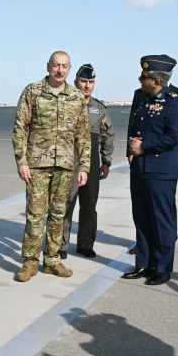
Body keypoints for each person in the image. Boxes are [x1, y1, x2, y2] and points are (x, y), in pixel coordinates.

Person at [12, 51, 91, 282]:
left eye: (64, 66)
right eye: (56, 65)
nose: (60, 70)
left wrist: (84, 166)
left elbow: (83, 134)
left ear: (69, 69)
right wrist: (21, 160)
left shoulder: (76, 96)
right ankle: (30, 261)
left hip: (65, 165)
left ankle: (52, 260)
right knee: (36, 214)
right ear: (48, 66)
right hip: (37, 164)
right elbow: (20, 127)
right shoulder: (33, 91)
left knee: (58, 214)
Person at [122, 55, 178, 285]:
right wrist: (132, 147)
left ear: (157, 81)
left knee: (162, 221)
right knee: (142, 219)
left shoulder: (174, 103)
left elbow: (174, 136)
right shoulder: (143, 100)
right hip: (140, 169)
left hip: (160, 172)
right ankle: (144, 264)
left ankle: (162, 267)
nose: (141, 79)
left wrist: (144, 146)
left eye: (144, 76)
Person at [59, 64, 115, 260]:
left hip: (91, 161)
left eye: (91, 82)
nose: (87, 86)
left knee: (89, 204)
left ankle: (85, 244)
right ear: (75, 82)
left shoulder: (99, 109)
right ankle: (61, 245)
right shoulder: (65, 103)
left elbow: (108, 135)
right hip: (69, 160)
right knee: (66, 203)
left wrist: (106, 161)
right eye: (83, 81)